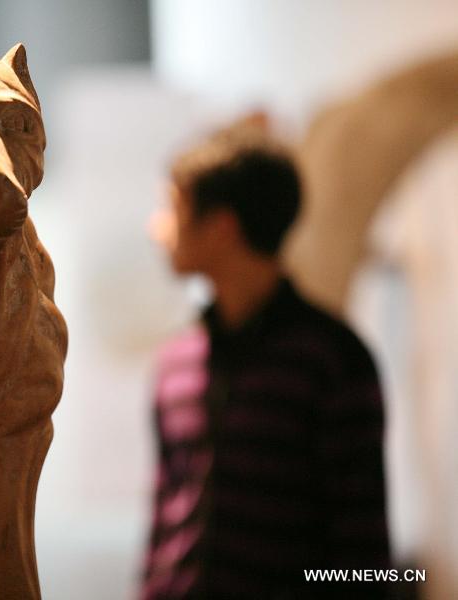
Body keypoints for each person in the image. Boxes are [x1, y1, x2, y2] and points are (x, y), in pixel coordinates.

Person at [141, 126, 391, 599]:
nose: (157, 228)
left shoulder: (333, 361)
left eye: (173, 208)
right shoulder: (177, 363)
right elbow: (163, 521)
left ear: (222, 228)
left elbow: (364, 549)